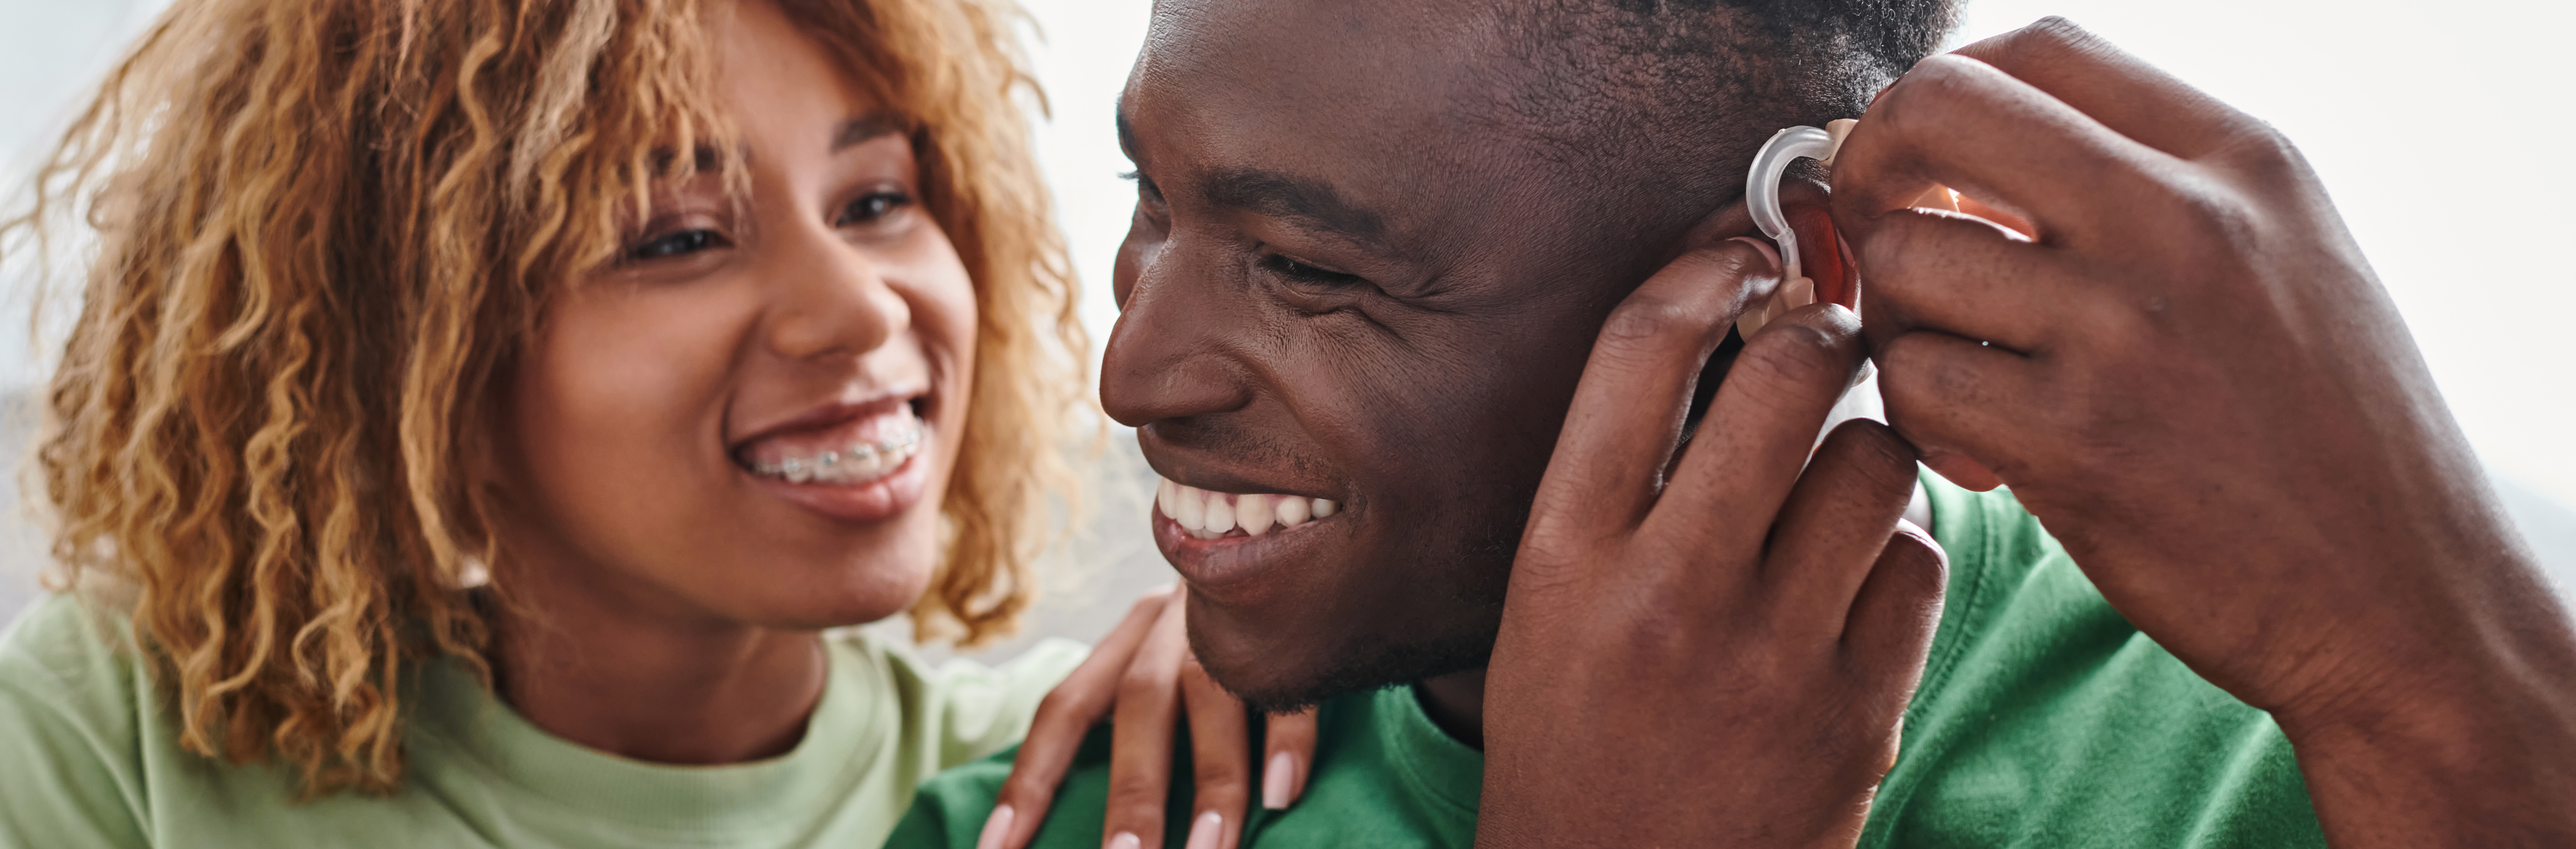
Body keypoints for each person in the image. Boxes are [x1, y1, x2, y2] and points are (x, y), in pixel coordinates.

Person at [885, 1, 2576, 847]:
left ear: (1798, 260)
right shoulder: (1058, 816)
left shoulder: (2293, 759)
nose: (1133, 370)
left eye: (1312, 268)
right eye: (1150, 196)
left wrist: (2450, 678)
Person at [0, 0, 1314, 845]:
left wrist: (1296, 661)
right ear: (412, 353)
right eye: (679, 237)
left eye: (879, 199)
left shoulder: (1076, 772)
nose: (858, 311)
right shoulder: (118, 729)